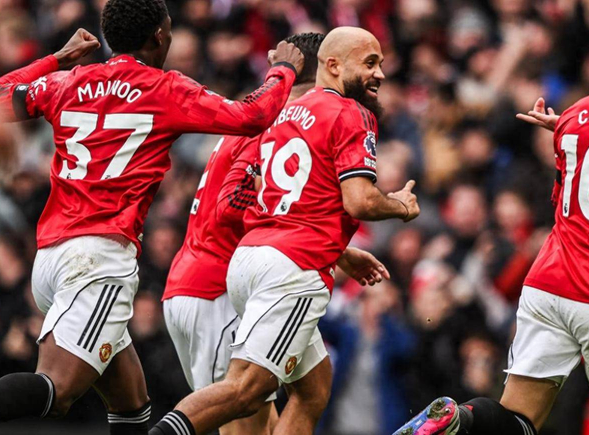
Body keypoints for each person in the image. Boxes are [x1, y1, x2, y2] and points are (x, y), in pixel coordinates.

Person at [0, 0, 304, 433]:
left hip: (52, 260)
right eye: (169, 31)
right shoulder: (165, 88)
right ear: (159, 36)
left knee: (131, 403)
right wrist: (282, 71)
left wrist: (55, 59)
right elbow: (253, 116)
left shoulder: (69, 80)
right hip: (98, 263)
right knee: (58, 391)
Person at [395, 7, 589, 435]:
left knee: (518, 421)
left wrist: (567, 128)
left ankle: (459, 418)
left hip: (548, 283)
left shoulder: (574, 115)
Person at [150, 26, 421, 435]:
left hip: (227, 272)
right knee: (244, 400)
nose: (379, 75)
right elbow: (230, 206)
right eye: (369, 64)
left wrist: (340, 252)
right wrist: (396, 207)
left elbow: (283, 201)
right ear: (327, 68)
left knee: (313, 386)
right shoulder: (278, 120)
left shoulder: (278, 119)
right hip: (217, 289)